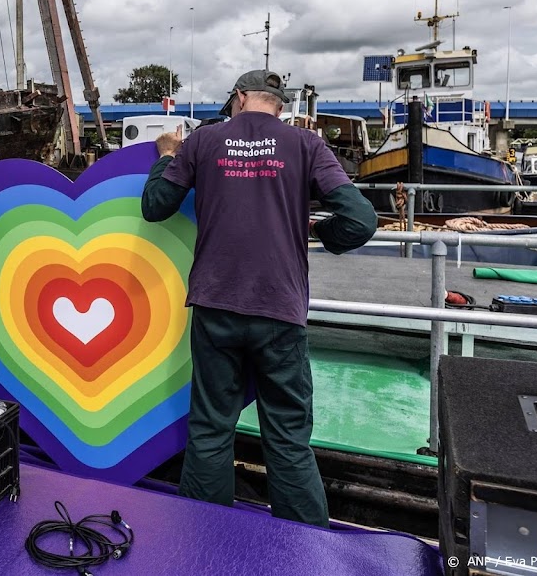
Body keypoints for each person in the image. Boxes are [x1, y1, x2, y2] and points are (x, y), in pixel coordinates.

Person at [141, 69, 377, 528]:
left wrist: (165, 155)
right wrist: (322, 231)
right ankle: (307, 547)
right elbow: (361, 221)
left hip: (216, 305)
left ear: (240, 98)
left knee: (211, 429)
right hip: (279, 309)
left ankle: (207, 536)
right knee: (288, 437)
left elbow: (155, 206)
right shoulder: (306, 145)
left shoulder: (203, 142)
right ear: (280, 105)